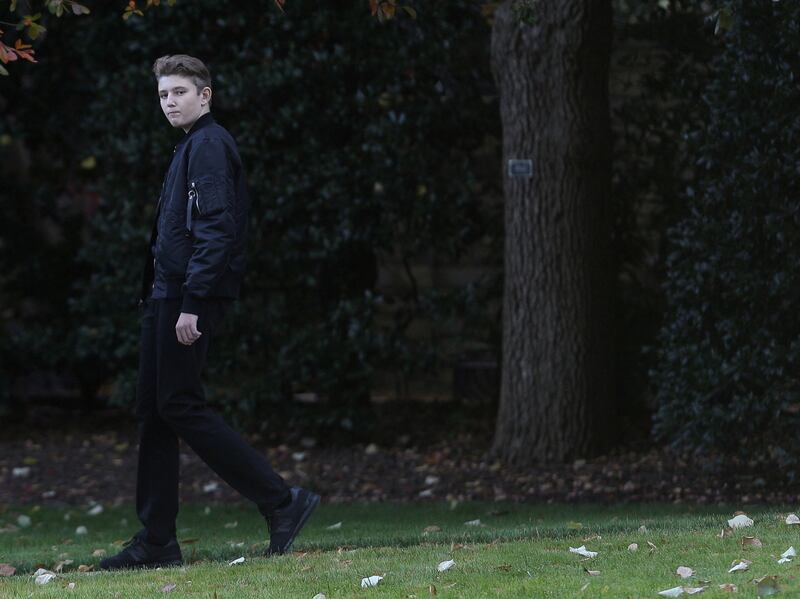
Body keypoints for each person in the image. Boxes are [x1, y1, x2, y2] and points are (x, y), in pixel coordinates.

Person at [100, 54, 320, 571]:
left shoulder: (210, 145)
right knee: (155, 413)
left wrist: (193, 303)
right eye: (163, 95)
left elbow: (217, 229)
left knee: (178, 404)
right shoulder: (192, 146)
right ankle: (156, 541)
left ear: (206, 95)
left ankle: (282, 501)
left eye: (179, 92)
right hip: (167, 296)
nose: (169, 102)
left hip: (184, 299)